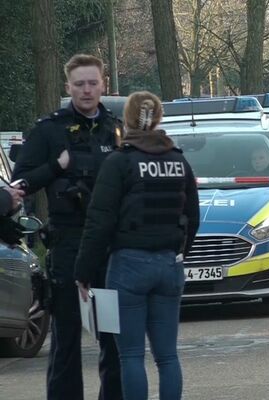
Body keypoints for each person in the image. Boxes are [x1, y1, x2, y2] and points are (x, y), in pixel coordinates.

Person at [73, 91, 200, 400]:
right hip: (169, 265)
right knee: (167, 356)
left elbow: (99, 221)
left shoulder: (120, 162)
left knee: (130, 355)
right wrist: (181, 252)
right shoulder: (178, 160)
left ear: (126, 120)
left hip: (128, 265)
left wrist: (84, 271)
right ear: (158, 119)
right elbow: (192, 216)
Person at [12, 53, 123, 400]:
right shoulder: (49, 130)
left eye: (93, 83)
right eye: (79, 84)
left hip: (109, 247)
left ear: (104, 84)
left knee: (113, 340)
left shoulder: (117, 128)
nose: (87, 90)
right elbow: (20, 185)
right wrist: (57, 168)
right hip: (67, 246)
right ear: (68, 87)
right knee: (66, 340)